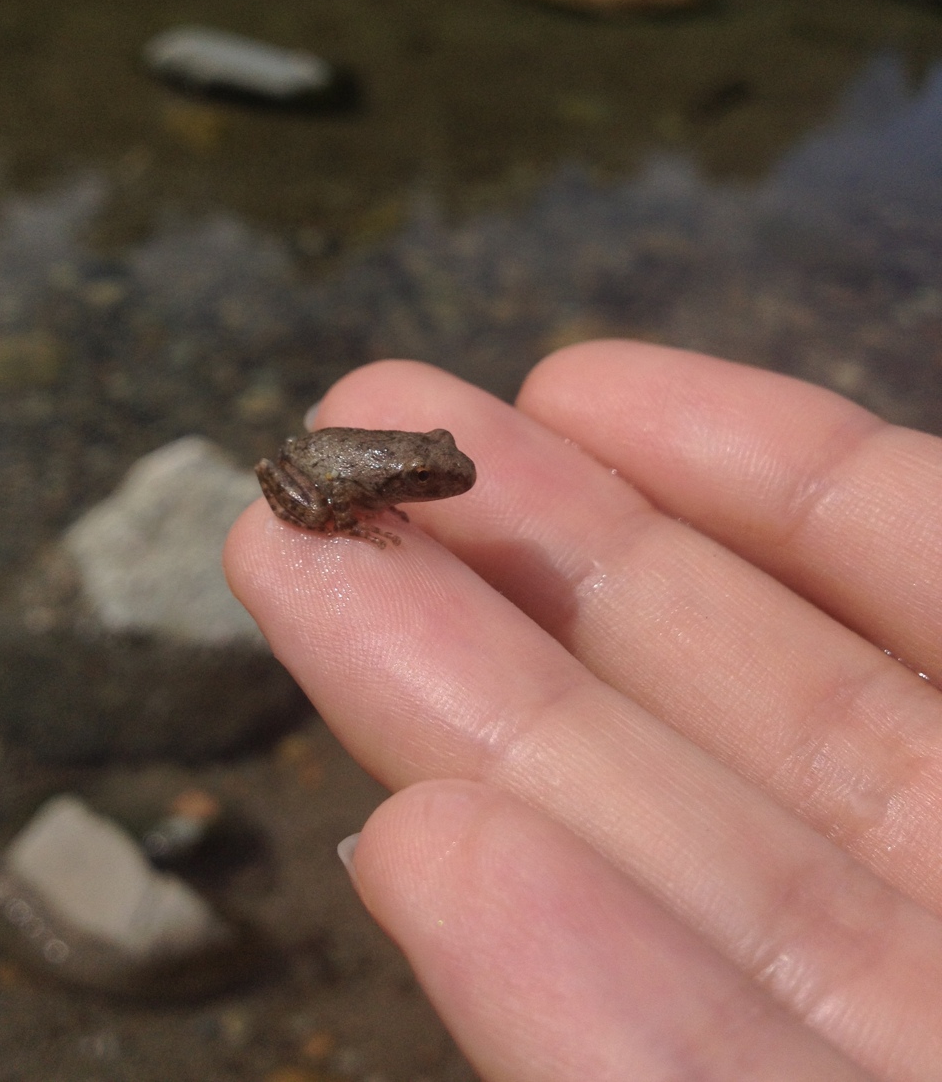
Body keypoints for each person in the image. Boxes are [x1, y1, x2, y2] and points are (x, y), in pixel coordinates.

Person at [224, 340, 942, 1082]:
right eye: (427, 477)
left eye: (439, 465)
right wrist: (344, 520)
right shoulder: (358, 482)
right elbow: (332, 478)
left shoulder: (408, 469)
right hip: (314, 470)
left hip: (331, 456)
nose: (450, 479)